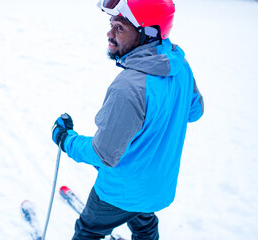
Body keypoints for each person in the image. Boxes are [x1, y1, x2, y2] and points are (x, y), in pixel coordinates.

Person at [51, 0, 204, 239]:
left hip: (119, 192)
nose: (109, 34)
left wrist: (66, 140)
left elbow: (104, 155)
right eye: (111, 24)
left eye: (120, 27)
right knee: (144, 224)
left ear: (149, 33)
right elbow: (194, 111)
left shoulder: (129, 87)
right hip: (157, 186)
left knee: (89, 229)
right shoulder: (179, 66)